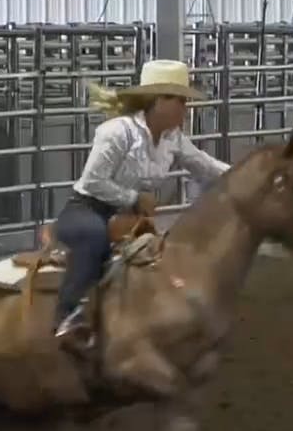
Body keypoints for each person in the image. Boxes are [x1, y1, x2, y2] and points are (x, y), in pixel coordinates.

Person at [52, 59, 231, 354]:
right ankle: (68, 318)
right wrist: (133, 199)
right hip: (87, 209)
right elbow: (93, 181)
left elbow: (206, 166)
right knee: (94, 240)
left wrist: (247, 175)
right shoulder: (116, 132)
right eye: (179, 100)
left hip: (129, 218)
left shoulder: (173, 139)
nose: (185, 108)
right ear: (158, 100)